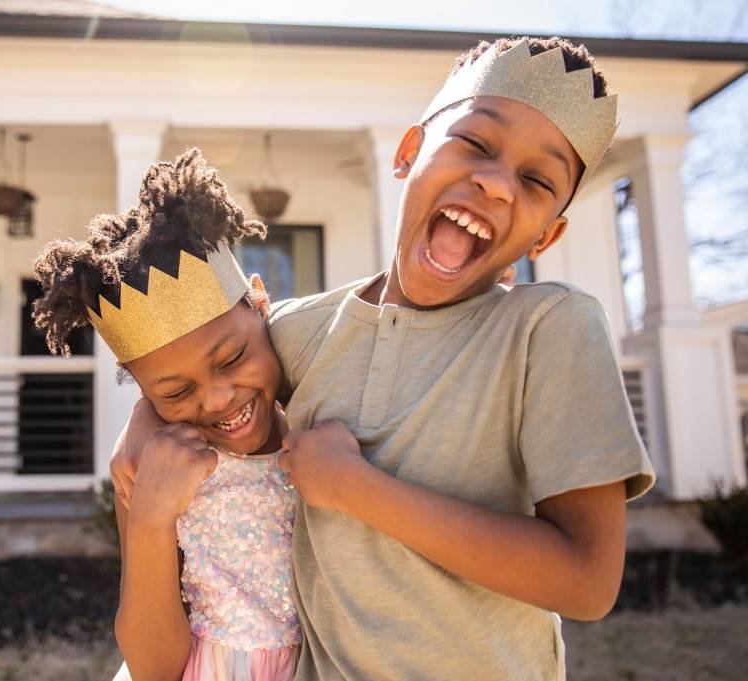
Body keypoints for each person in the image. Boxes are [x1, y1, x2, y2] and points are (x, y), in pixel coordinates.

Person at [113, 37, 656, 680]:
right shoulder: (302, 332)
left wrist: (356, 489)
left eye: (538, 181)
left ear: (548, 233)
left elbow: (588, 580)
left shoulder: (549, 329)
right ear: (407, 154)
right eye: (476, 144)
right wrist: (142, 424)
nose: (496, 183)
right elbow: (205, 368)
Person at [32, 148, 301, 681]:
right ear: (144, 392)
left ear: (260, 303)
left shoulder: (320, 401)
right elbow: (153, 668)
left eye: (232, 358)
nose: (219, 398)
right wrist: (151, 514)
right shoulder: (153, 470)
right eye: (175, 392)